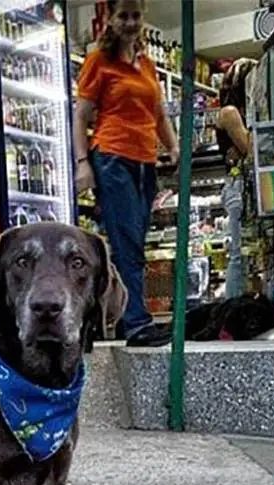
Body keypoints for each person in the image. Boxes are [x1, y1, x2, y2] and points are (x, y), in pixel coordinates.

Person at [74, 0, 179, 347]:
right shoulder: (98, 62)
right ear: (110, 20)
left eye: (136, 16)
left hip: (144, 163)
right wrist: (82, 162)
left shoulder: (147, 65)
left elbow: (160, 115)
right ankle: (135, 323)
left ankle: (110, 320)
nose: (131, 23)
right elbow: (81, 115)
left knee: (131, 243)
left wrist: (174, 147)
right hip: (113, 158)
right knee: (127, 244)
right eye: (124, 16)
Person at [216, 58, 257, 299]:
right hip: (237, 186)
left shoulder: (244, 113)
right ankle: (233, 306)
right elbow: (250, 149)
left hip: (244, 185)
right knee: (238, 253)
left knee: (248, 252)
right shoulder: (230, 113)